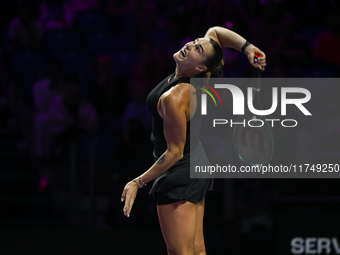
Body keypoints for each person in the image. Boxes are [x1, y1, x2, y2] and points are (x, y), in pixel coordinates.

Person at [121, 26, 266, 255]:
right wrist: (248, 48)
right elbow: (216, 33)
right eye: (195, 41)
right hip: (195, 164)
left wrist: (138, 182)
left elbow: (174, 152)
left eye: (197, 48)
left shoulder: (176, 96)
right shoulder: (196, 76)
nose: (190, 44)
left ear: (200, 67)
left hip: (180, 172)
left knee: (180, 252)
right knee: (196, 251)